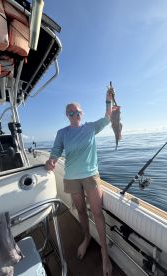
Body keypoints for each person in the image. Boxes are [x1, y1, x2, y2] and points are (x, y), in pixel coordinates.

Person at [45, 88, 114, 276]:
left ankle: (104, 253)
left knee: (97, 213)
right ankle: (86, 237)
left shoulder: (90, 127)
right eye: (70, 112)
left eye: (77, 111)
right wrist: (51, 160)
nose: (74, 114)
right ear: (67, 116)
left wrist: (108, 100)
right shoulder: (62, 133)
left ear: (81, 113)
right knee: (81, 210)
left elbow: (108, 117)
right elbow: (56, 151)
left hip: (90, 175)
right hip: (72, 177)